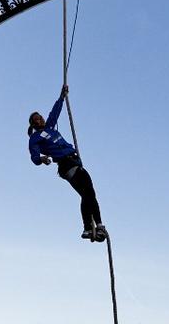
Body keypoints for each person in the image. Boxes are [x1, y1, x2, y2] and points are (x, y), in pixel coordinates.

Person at [28, 85, 107, 242]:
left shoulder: (50, 127)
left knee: (89, 194)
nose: (40, 119)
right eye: (36, 119)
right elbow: (33, 154)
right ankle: (89, 226)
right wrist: (40, 159)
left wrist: (62, 96)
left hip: (74, 161)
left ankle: (97, 227)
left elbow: (55, 112)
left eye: (40, 117)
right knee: (88, 192)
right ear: (33, 124)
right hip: (66, 164)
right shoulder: (36, 138)